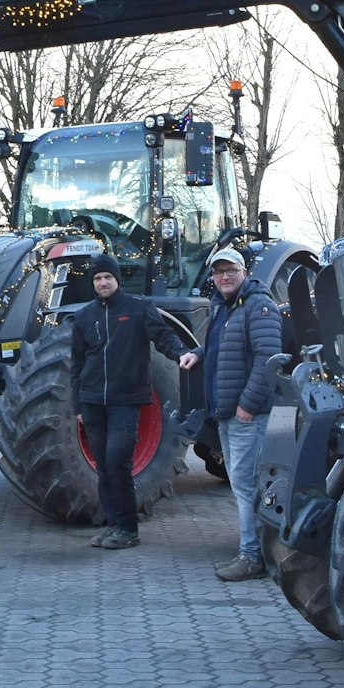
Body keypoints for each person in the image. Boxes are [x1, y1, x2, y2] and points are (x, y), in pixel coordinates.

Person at [178, 247, 288, 582]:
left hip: (246, 416)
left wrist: (247, 406)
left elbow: (269, 358)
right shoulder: (224, 307)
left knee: (245, 486)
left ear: (244, 272)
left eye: (231, 270)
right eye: (218, 272)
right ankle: (258, 550)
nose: (224, 277)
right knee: (244, 484)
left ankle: (252, 555)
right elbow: (223, 346)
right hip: (225, 413)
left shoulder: (259, 306)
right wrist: (198, 353)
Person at [72, 252, 186, 551]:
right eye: (97, 278)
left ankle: (127, 528)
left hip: (126, 400)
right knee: (104, 467)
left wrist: (182, 354)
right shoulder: (84, 317)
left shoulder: (138, 310)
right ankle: (112, 525)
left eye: (107, 277)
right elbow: (76, 365)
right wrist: (78, 407)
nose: (103, 282)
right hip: (93, 402)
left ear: (116, 280)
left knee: (117, 462)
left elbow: (164, 338)